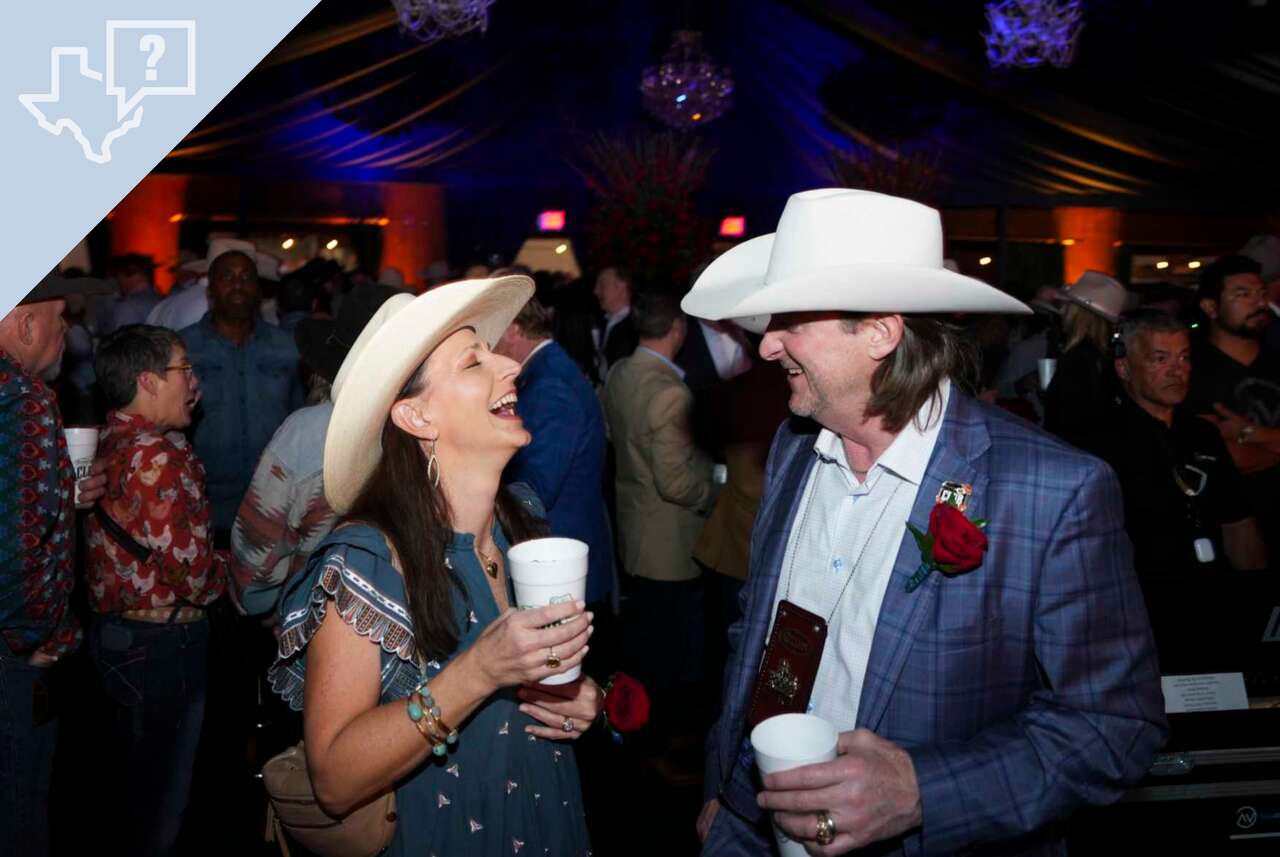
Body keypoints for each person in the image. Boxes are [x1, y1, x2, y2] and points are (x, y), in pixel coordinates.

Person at [683, 189, 1166, 857]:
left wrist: (923, 791)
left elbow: (1115, 726)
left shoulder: (1052, 490)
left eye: (789, 319)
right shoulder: (796, 445)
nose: (767, 346)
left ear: (881, 331)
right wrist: (727, 792)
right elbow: (757, 632)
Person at [269, 277, 601, 856]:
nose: (509, 367)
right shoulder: (365, 563)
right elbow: (335, 778)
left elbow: (532, 684)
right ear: (417, 417)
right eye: (474, 362)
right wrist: (478, 673)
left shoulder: (521, 521)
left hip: (546, 817)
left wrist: (578, 697)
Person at [85, 324, 228, 856]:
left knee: (133, 790)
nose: (192, 380)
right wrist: (232, 573)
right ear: (148, 380)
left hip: (120, 636)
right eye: (182, 369)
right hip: (162, 646)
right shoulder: (158, 456)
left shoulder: (112, 438)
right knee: (161, 804)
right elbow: (192, 574)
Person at [0, 270, 110, 857]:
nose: (68, 331)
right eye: (59, 318)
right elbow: (16, 561)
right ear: (23, 324)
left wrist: (58, 488)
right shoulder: (25, 401)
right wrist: (35, 636)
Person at [231, 282, 405, 616]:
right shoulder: (434, 422)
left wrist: (264, 606)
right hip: (409, 615)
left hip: (318, 613)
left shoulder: (307, 431)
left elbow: (258, 545)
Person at [602, 289, 713, 758]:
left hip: (634, 529)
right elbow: (676, 483)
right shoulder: (670, 393)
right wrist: (718, 490)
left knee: (644, 645)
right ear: (678, 330)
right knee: (669, 656)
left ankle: (632, 730)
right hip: (667, 542)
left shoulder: (622, 372)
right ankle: (660, 749)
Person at [1090, 310, 1266, 576]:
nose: (1177, 370)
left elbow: (1236, 519)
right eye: (1160, 359)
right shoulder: (1102, 442)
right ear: (1124, 368)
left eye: (1184, 357)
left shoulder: (1202, 434)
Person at [493, 295, 614, 610]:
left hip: (557, 567)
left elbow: (536, 488)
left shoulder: (549, 384)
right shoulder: (547, 372)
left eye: (492, 328)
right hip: (559, 558)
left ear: (513, 329)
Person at [180, 249, 304, 537]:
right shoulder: (183, 348)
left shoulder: (286, 347)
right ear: (210, 291)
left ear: (259, 290)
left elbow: (299, 418)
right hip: (203, 508)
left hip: (275, 508)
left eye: (246, 277)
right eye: (227, 277)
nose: (237, 284)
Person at [1185, 254, 1280, 557]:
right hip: (1227, 531)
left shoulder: (1276, 358)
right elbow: (1218, 457)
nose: (1259, 302)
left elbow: (1236, 446)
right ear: (1211, 307)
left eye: (1261, 293)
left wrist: (1249, 433)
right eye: (1243, 294)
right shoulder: (1189, 368)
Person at [1043, 270, 1127, 449]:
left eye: (1068, 305)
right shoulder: (1105, 355)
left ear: (1078, 313)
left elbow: (1069, 423)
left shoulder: (1079, 358)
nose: (1062, 311)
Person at [595, 266, 637, 372]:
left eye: (602, 285)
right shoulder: (601, 322)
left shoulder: (636, 326)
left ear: (621, 287)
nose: (595, 291)